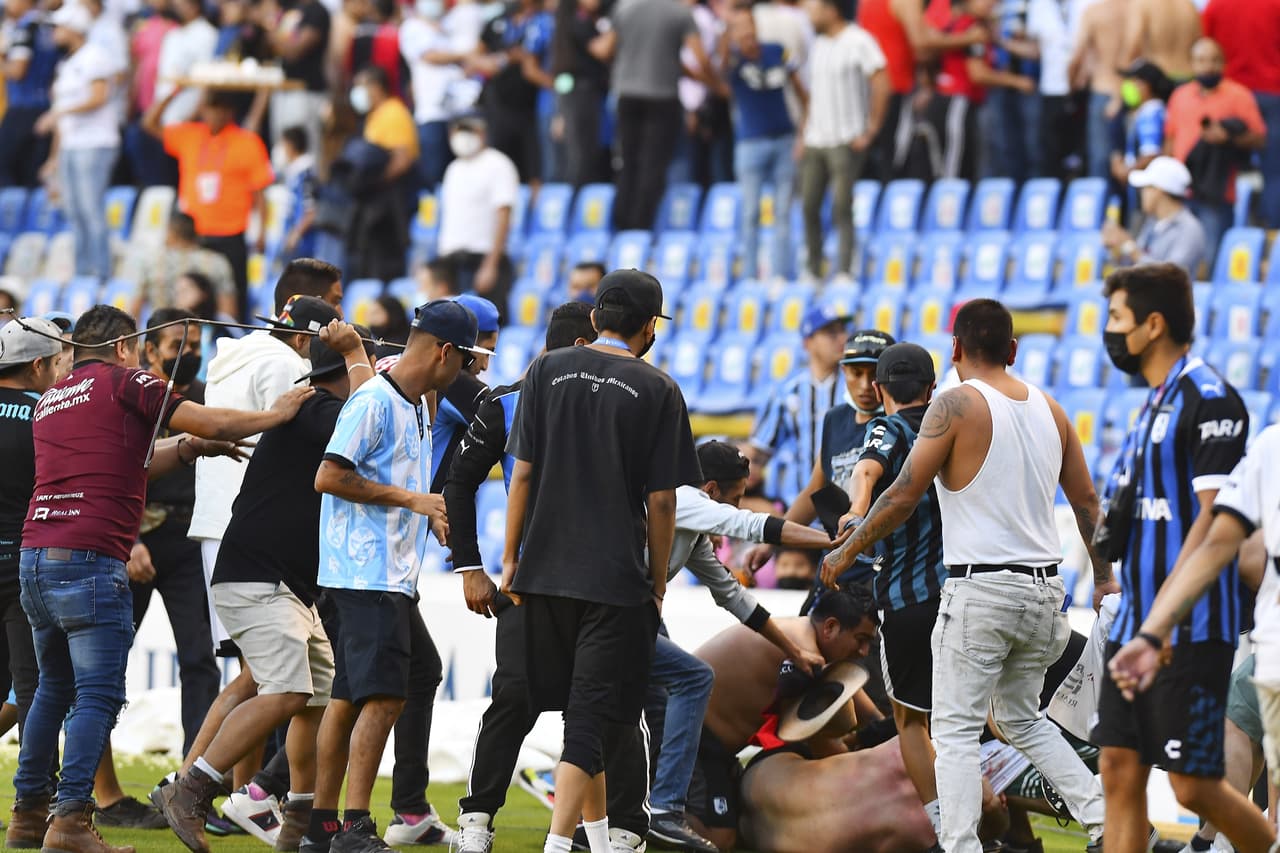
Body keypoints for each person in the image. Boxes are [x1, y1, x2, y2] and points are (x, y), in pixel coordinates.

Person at [12, 305, 313, 853]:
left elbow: (133, 461)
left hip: (38, 555)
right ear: (126, 346)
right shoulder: (129, 382)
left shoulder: (54, 396)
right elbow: (213, 418)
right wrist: (276, 414)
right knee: (98, 696)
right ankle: (71, 822)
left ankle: (29, 815)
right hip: (91, 555)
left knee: (52, 691)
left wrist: (193, 450)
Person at [821, 299, 1113, 853]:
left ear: (954, 350)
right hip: (1047, 593)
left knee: (951, 733)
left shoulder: (953, 405)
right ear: (1014, 350)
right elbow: (1087, 501)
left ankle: (960, 847)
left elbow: (903, 494)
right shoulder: (1051, 408)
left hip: (980, 590)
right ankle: (1109, 821)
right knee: (1023, 721)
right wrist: (1103, 577)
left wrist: (847, 549)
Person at [154, 321, 375, 853]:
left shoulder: (313, 410)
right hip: (260, 577)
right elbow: (373, 421)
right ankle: (194, 788)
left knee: (315, 696)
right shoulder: (321, 411)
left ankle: (298, 817)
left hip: (281, 581)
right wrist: (359, 354)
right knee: (288, 690)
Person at [501, 269, 702, 853]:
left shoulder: (545, 369)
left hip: (542, 571)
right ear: (648, 326)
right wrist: (658, 582)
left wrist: (510, 558)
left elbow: (523, 475)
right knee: (589, 719)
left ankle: (596, 838)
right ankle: (559, 846)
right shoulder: (660, 389)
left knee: (574, 713)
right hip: (613, 579)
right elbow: (662, 501)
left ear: (595, 318)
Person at [1091, 263, 1273, 853]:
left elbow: (1214, 521)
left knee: (1193, 788)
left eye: (1116, 318)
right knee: (1117, 769)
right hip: (1134, 624)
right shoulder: (1150, 406)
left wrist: (1160, 621)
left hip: (1188, 629)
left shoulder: (1212, 398)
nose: (1108, 330)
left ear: (1153, 324)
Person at [303, 300, 488, 853]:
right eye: (467, 360)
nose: (469, 372)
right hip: (364, 573)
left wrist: (426, 514)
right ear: (444, 351)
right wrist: (415, 499)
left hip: (386, 575)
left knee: (362, 691)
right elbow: (328, 477)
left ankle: (322, 827)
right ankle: (354, 826)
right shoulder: (375, 402)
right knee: (383, 696)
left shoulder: (416, 401)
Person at [607, 440, 835, 852]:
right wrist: (829, 542)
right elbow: (752, 526)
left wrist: (793, 650)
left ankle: (622, 822)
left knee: (648, 715)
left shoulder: (689, 531)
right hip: (611, 615)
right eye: (734, 498)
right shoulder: (684, 500)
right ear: (710, 490)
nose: (736, 506)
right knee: (693, 678)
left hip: (635, 619)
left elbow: (734, 597)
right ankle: (663, 812)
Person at [443, 302, 600, 853]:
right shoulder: (507, 401)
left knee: (601, 707)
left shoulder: (622, 400)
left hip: (599, 582)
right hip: (527, 582)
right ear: (584, 344)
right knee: (514, 700)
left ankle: (600, 830)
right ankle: (477, 821)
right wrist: (469, 566)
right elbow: (457, 484)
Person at [687, 587, 935, 853]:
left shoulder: (805, 640)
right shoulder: (802, 656)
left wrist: (897, 732)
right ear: (830, 627)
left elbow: (864, 706)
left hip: (712, 745)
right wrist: (872, 750)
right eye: (860, 639)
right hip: (685, 734)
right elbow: (823, 746)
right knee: (720, 841)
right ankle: (655, 803)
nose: (864, 651)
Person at [190, 270, 343, 664]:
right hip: (258, 532)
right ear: (301, 340)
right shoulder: (285, 365)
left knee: (253, 671)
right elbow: (301, 440)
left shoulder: (234, 357)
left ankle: (219, 730)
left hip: (219, 523)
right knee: (266, 676)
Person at [839, 342, 950, 846]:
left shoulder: (889, 426)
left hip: (908, 599)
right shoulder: (957, 425)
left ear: (879, 390)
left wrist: (857, 511)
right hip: (964, 594)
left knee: (911, 720)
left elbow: (867, 468)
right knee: (983, 717)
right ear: (931, 387)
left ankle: (946, 828)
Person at [131, 310, 222, 759]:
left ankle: (192, 778)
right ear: (149, 350)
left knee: (200, 659)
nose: (190, 354)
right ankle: (89, 789)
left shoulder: (208, 398)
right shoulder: (131, 398)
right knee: (102, 667)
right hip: (135, 537)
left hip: (192, 538)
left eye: (195, 345)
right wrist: (129, 539)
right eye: (179, 346)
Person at [143, 85, 275, 320]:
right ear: (203, 109)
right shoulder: (190, 135)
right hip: (195, 236)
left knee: (234, 301)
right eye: (210, 108)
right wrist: (175, 91)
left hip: (231, 234)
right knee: (193, 301)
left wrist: (262, 230)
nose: (214, 115)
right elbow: (149, 123)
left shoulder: (247, 142)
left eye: (220, 109)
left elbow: (259, 192)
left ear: (229, 111)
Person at [599, 0, 717, 231]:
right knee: (653, 165)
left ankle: (622, 226)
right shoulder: (680, 13)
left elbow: (605, 49)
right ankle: (642, 226)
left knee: (628, 162)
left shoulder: (625, 7)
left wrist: (629, 63)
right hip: (662, 97)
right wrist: (717, 85)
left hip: (627, 94)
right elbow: (701, 58)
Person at [0, 317, 63, 752]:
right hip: (20, 563)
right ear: (38, 365)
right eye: (58, 363)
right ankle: (34, 805)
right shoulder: (47, 415)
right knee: (32, 686)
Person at [799, 0, 886, 281]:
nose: (808, 14)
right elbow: (813, 94)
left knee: (841, 206)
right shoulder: (818, 44)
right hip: (815, 139)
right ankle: (813, 270)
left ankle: (845, 270)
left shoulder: (858, 40)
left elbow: (882, 80)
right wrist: (803, 132)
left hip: (846, 139)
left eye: (813, 8)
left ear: (831, 10)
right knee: (809, 205)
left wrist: (871, 128)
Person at [1163, 38, 1267, 264]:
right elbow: (1170, 141)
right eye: (1201, 60)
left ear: (1223, 64)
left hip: (1218, 192)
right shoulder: (1180, 96)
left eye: (1214, 60)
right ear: (1192, 64)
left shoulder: (1238, 95)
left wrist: (1228, 137)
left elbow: (1258, 138)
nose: (1208, 66)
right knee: (1179, 262)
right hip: (1183, 190)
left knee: (1213, 257)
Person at [35, 2, 118, 281]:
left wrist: (59, 112)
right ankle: (84, 272)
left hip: (95, 142)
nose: (55, 31)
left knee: (91, 209)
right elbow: (63, 119)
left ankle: (101, 272)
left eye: (59, 26)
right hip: (72, 144)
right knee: (74, 210)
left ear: (74, 27)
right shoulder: (67, 62)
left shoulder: (95, 56)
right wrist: (53, 157)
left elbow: (99, 96)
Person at [724, 1, 804, 283]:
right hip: (750, 142)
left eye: (749, 25)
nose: (747, 32)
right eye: (740, 28)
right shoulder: (732, 61)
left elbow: (802, 92)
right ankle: (749, 276)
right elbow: (717, 66)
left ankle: (781, 273)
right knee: (750, 212)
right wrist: (727, 33)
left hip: (784, 138)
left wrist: (802, 133)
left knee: (783, 211)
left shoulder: (776, 51)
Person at [749, 307, 852, 508]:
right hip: (801, 509)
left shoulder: (857, 385)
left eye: (842, 331)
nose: (842, 338)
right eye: (831, 333)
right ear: (808, 343)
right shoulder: (787, 390)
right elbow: (760, 451)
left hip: (852, 507)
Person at [1202, 0, 1280, 229]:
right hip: (1269, 93)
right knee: (1274, 171)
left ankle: (1230, 232)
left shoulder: (1216, 6)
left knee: (1221, 168)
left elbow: (1206, 47)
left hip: (1230, 93)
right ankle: (1271, 232)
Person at [436, 114, 518, 312]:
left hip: (483, 258)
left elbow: (503, 215)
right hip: (452, 260)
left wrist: (491, 264)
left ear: (482, 133)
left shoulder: (498, 164)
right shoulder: (453, 169)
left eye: (469, 131)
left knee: (485, 325)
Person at [345, 65, 417, 283]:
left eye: (361, 85)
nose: (356, 91)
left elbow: (402, 159)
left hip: (391, 202)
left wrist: (375, 182)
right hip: (376, 203)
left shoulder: (393, 112)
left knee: (385, 263)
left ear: (376, 87)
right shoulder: (374, 116)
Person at [474, 0, 552, 186]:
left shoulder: (543, 21)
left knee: (534, 167)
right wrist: (501, 60)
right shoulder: (497, 22)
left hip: (530, 106)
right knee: (502, 164)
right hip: (499, 106)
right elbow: (476, 56)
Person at [398, 0, 464, 190]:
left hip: (457, 111)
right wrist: (464, 55)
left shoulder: (448, 26)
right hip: (431, 113)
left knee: (456, 175)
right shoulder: (412, 27)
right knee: (432, 176)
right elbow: (429, 56)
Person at [1102, 157, 1208, 275]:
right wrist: (1118, 249)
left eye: (1146, 188)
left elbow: (1171, 276)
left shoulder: (1190, 229)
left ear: (1159, 190)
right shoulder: (1152, 222)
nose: (1142, 193)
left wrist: (1130, 248)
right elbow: (1135, 268)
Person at [129, 212, 238, 319]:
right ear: (195, 234)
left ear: (171, 233)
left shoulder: (150, 262)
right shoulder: (217, 262)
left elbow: (135, 309)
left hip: (160, 332)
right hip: (203, 333)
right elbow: (227, 313)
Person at [550, 0, 611, 189]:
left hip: (580, 93)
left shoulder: (574, 21)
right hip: (580, 94)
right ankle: (577, 203)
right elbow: (602, 50)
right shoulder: (577, 21)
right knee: (582, 154)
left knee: (585, 152)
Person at [1066, 0, 1127, 181]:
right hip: (1131, 91)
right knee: (1129, 160)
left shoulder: (1094, 12)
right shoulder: (1137, 9)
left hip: (1103, 88)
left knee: (1099, 161)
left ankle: (1099, 207)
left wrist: (1071, 88)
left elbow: (1077, 57)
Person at [0, 0, 57, 188]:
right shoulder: (50, 24)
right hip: (46, 108)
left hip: (22, 108)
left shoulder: (24, 28)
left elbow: (17, 70)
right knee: (31, 174)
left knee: (6, 169)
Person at [261, 0, 331, 152]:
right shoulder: (291, 9)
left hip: (305, 89)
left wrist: (273, 35)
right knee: (280, 146)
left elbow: (296, 51)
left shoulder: (317, 11)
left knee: (302, 147)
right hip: (284, 86)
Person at [1109, 60, 1173, 190]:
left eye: (1135, 81)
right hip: (1137, 180)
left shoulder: (1151, 111)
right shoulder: (1142, 110)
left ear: (1148, 85)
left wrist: (1127, 172)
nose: (1129, 86)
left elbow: (1151, 154)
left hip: (1145, 183)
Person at [1121, 0, 1199, 81]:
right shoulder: (1189, 5)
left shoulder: (1143, 3)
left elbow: (1133, 45)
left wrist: (1122, 70)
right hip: (1188, 76)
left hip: (1158, 79)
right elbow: (1199, 43)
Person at [276, 126, 320, 261]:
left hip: (301, 244)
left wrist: (296, 234)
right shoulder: (294, 173)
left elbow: (311, 210)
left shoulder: (305, 175)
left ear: (290, 145)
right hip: (292, 242)